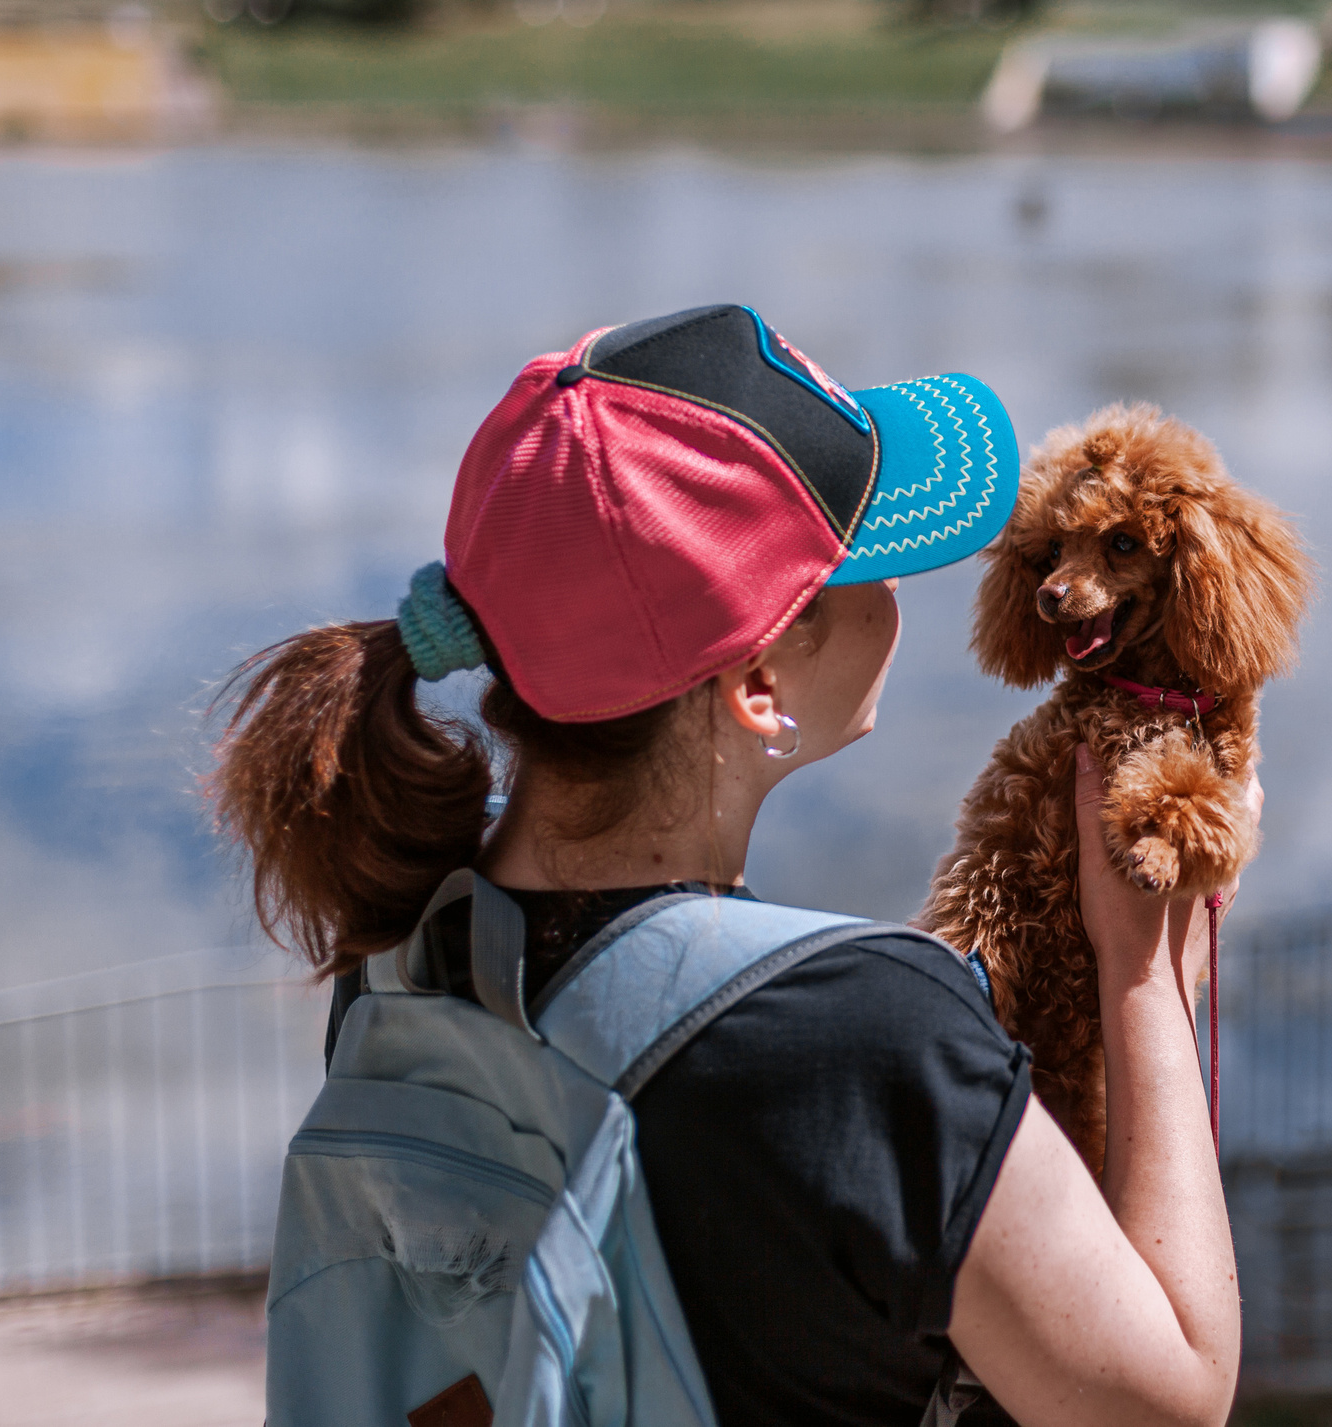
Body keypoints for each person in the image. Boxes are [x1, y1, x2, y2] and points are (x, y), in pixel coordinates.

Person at [209, 305, 1243, 1427]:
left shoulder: (410, 941)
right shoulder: (866, 1032)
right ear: (758, 687)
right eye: (872, 560)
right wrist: (1144, 973)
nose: (898, 599)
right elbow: (1170, 1398)